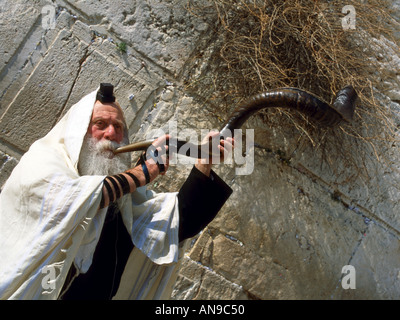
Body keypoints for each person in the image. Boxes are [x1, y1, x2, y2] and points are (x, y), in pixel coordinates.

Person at [0, 83, 234, 300]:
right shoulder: (41, 163)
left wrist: (205, 162)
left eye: (118, 127)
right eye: (100, 125)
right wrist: (141, 173)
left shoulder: (123, 203)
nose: (111, 134)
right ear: (78, 133)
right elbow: (71, 201)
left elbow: (177, 223)